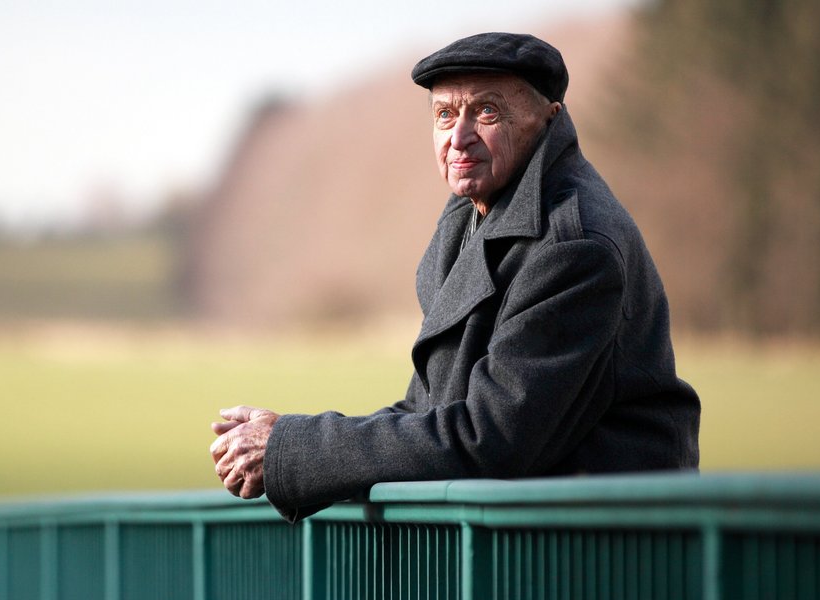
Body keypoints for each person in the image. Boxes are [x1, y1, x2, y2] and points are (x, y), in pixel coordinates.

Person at [211, 32, 700, 522]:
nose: (458, 136)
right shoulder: (470, 221)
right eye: (444, 115)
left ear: (547, 119)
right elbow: (429, 416)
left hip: (610, 552)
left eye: (485, 112)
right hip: (538, 545)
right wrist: (289, 448)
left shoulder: (574, 246)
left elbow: (487, 438)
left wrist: (292, 446)